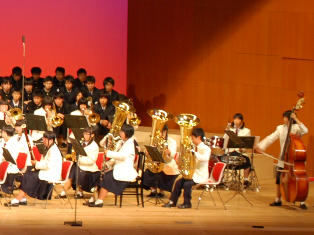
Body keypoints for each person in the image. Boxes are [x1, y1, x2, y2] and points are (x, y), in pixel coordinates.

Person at [255, 110, 308, 210]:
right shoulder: (280, 128)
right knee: (279, 180)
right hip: (283, 158)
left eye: (285, 117)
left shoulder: (297, 128)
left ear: (288, 118)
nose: (283, 119)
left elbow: (305, 130)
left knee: (299, 180)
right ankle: (278, 200)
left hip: (295, 159)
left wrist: (296, 119)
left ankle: (302, 201)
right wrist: (261, 146)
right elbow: (271, 138)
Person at [5, 131, 62, 207]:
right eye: (43, 138)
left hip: (51, 173)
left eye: (45, 139)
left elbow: (48, 165)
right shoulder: (48, 147)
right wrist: (36, 164)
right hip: (46, 171)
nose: (43, 140)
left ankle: (16, 200)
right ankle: (23, 199)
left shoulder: (54, 150)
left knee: (30, 178)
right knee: (25, 176)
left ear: (51, 140)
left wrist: (36, 164)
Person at [88, 124, 138, 207]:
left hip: (124, 170)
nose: (120, 133)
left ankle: (100, 201)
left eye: (122, 132)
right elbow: (106, 146)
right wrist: (107, 140)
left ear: (127, 133)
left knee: (107, 178)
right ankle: (95, 198)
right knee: (100, 176)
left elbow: (122, 156)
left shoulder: (130, 144)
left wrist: (109, 153)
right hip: (118, 168)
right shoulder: (121, 142)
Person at [162, 128, 210, 209]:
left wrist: (194, 153)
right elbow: (185, 156)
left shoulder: (206, 148)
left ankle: (187, 203)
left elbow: (205, 158)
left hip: (200, 175)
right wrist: (178, 158)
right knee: (178, 182)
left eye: (193, 137)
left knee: (186, 184)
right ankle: (172, 201)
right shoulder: (193, 147)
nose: (191, 139)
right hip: (192, 173)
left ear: (198, 137)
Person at [55, 127, 100, 199]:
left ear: (92, 135)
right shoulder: (82, 143)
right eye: (84, 133)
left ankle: (78, 192)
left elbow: (91, 161)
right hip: (79, 164)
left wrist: (79, 159)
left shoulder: (94, 146)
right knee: (71, 174)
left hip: (89, 168)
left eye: (87, 134)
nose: (85, 136)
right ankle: (64, 192)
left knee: (76, 172)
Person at [143, 124, 179, 198]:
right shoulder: (155, 140)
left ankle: (161, 192)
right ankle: (153, 191)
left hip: (167, 164)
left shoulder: (172, 142)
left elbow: (172, 154)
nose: (158, 134)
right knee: (148, 171)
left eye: (159, 132)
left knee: (162, 174)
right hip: (157, 163)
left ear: (165, 132)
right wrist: (147, 151)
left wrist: (169, 153)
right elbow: (151, 148)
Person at [223, 113, 252, 186]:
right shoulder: (230, 130)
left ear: (241, 121)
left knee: (247, 161)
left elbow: (247, 145)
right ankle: (222, 179)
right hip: (230, 152)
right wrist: (227, 132)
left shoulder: (246, 131)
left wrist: (242, 149)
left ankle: (245, 180)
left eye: (238, 119)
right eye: (235, 119)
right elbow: (224, 141)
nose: (236, 121)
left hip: (240, 153)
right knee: (221, 159)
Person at [0, 125, 20, 195]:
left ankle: (5, 190)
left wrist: (2, 161)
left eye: (4, 132)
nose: (2, 134)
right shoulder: (1, 141)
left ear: (9, 133)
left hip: (10, 166)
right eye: (2, 132)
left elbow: (13, 157)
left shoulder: (15, 143)